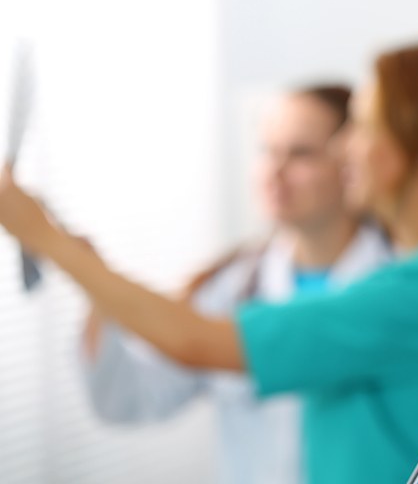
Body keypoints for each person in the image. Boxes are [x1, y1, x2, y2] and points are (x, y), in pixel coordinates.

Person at [0, 41, 418, 484]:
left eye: (364, 127)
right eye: (267, 149)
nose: (345, 148)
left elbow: (195, 339)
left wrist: (47, 240)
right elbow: (148, 376)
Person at [79, 85, 392, 484]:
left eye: (301, 154)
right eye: (267, 150)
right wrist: (94, 291)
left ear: (351, 159)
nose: (275, 171)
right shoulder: (231, 287)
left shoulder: (396, 283)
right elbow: (128, 398)